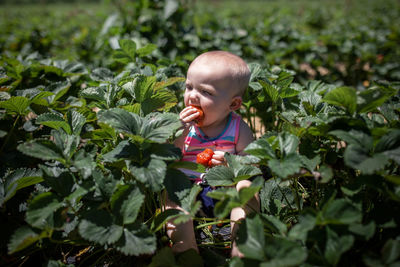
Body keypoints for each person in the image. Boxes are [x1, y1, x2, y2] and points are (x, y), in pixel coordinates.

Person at [165, 51, 260, 258]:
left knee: (248, 188)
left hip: (224, 190)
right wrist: (178, 131)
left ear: (233, 104)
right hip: (185, 189)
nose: (192, 96)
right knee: (171, 197)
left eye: (206, 92)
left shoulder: (239, 128)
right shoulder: (182, 126)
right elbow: (169, 156)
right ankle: (186, 249)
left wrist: (230, 165)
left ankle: (242, 246)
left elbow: (250, 165)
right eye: (189, 87)